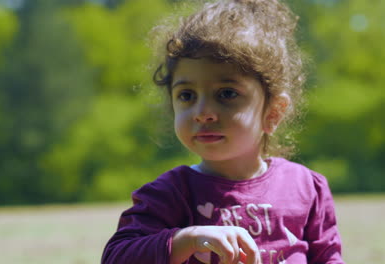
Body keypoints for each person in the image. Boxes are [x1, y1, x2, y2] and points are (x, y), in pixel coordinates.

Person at [101, 0, 344, 263]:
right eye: (187, 95)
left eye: (226, 93)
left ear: (273, 111)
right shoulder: (170, 194)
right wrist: (187, 239)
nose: (202, 112)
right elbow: (116, 257)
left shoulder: (306, 188)